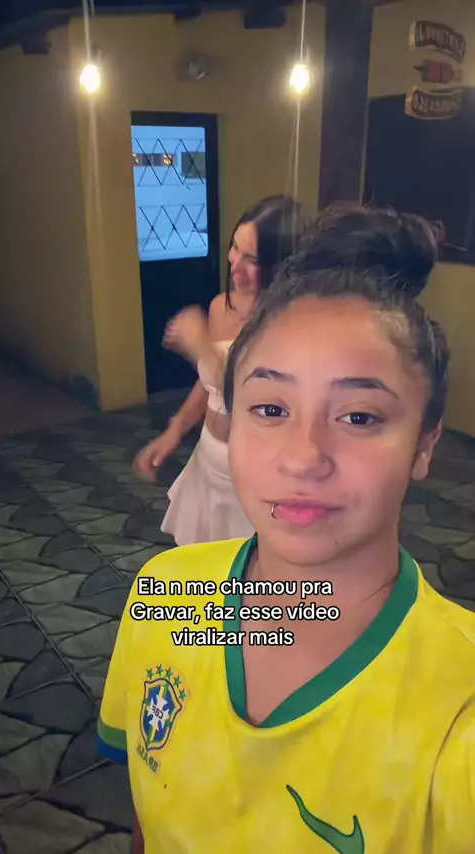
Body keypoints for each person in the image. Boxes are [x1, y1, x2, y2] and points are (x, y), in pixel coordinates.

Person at [97, 206, 475, 854]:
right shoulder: (166, 592)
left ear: (424, 444)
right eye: (270, 408)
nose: (302, 458)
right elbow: (146, 804)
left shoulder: (458, 700)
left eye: (358, 417)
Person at [133, 195, 305, 545]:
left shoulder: (288, 322)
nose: (235, 265)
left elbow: (253, 398)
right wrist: (175, 430)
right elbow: (210, 384)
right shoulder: (220, 307)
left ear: (280, 264)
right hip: (208, 457)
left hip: (254, 469)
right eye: (234, 248)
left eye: (251, 259)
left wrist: (201, 348)